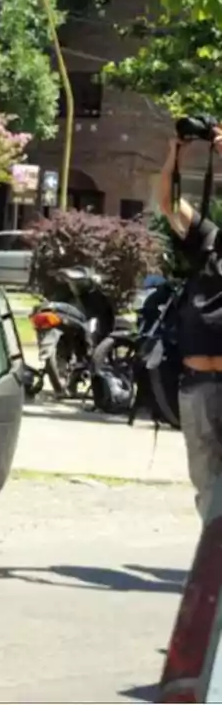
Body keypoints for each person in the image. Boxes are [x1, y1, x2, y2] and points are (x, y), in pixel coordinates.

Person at [157, 125, 222, 518]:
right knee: (206, 485)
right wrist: (175, 154)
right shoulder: (209, 239)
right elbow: (169, 202)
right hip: (197, 384)